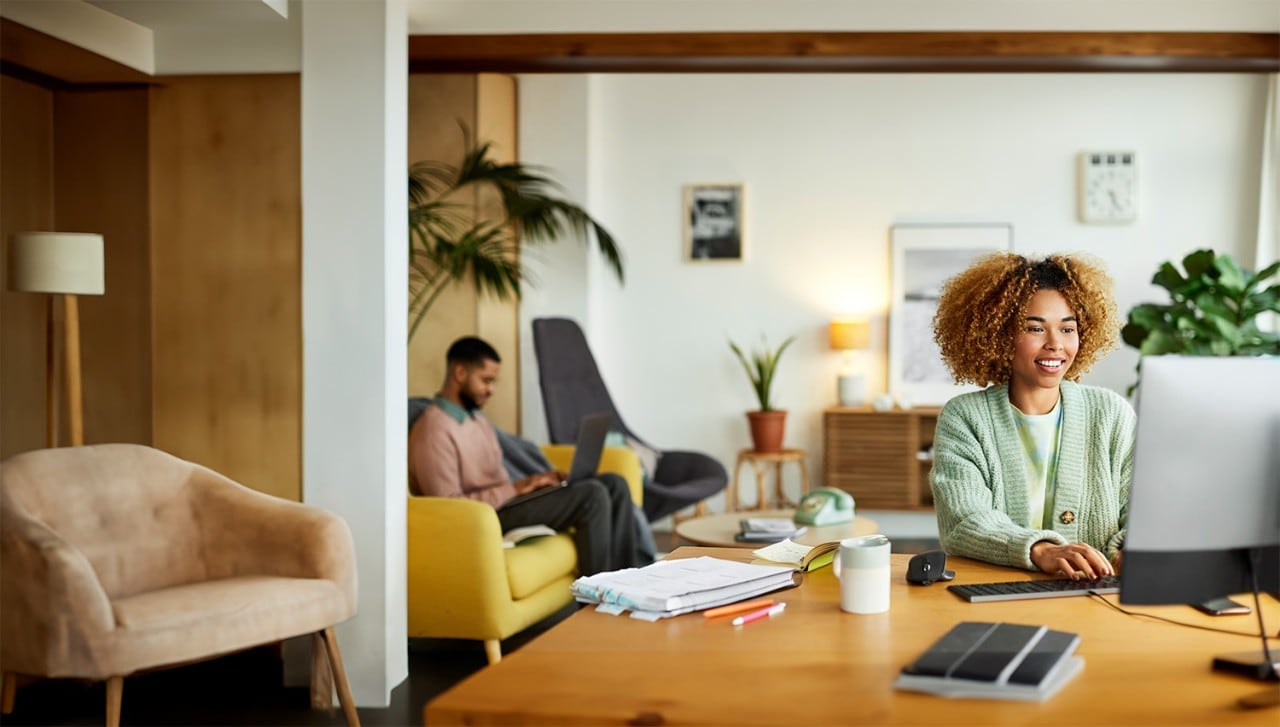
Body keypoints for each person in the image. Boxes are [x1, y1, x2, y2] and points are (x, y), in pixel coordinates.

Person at [929, 252, 1136, 580]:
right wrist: (1041, 550)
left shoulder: (1111, 414)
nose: (1056, 344)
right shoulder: (965, 418)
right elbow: (964, 520)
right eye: (1035, 328)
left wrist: (1131, 552)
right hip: (996, 593)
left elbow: (1140, 512)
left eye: (1068, 329)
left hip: (1099, 597)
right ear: (999, 335)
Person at [409, 336, 652, 576]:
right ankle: (598, 597)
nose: (491, 390)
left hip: (507, 503)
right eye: (486, 380)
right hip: (486, 518)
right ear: (460, 373)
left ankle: (626, 583)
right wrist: (517, 488)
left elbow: (498, 479)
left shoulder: (478, 420)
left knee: (614, 483)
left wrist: (537, 483)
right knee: (592, 495)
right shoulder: (433, 430)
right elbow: (451, 508)